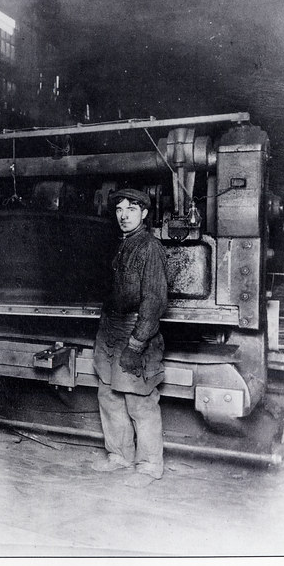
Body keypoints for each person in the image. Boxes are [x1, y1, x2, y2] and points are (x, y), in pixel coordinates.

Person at [91, 187, 169, 489]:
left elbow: (154, 300)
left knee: (140, 401)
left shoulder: (150, 247)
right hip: (111, 330)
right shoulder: (121, 243)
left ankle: (149, 466)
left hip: (135, 332)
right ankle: (119, 456)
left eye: (131, 209)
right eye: (119, 209)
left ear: (144, 213)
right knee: (109, 396)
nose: (124, 215)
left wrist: (137, 344)